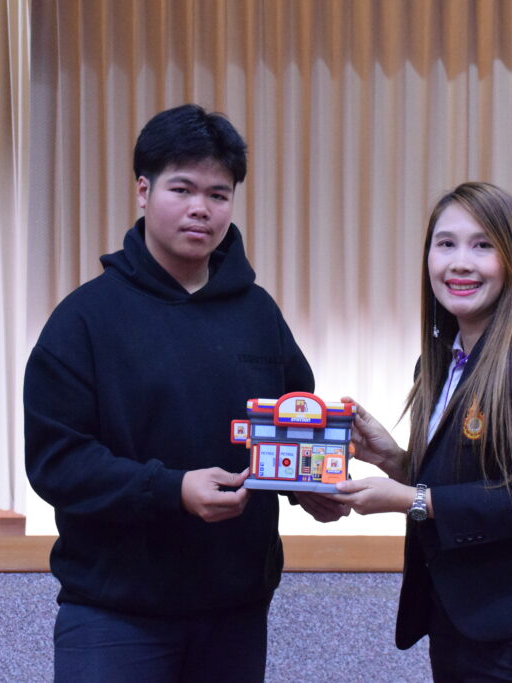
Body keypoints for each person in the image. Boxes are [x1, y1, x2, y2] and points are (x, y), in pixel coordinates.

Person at [24, 104, 347, 682]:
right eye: (182, 188)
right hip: (113, 611)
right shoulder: (84, 320)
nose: (202, 208)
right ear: (143, 192)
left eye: (218, 194)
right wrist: (170, 490)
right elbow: (57, 463)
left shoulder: (258, 313)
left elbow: (291, 417)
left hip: (236, 608)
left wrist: (305, 485)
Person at [331, 182, 512, 681]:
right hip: (462, 619)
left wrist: (409, 499)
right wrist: (394, 461)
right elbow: (466, 480)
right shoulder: (443, 361)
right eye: (445, 244)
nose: (460, 263)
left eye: (482, 245)